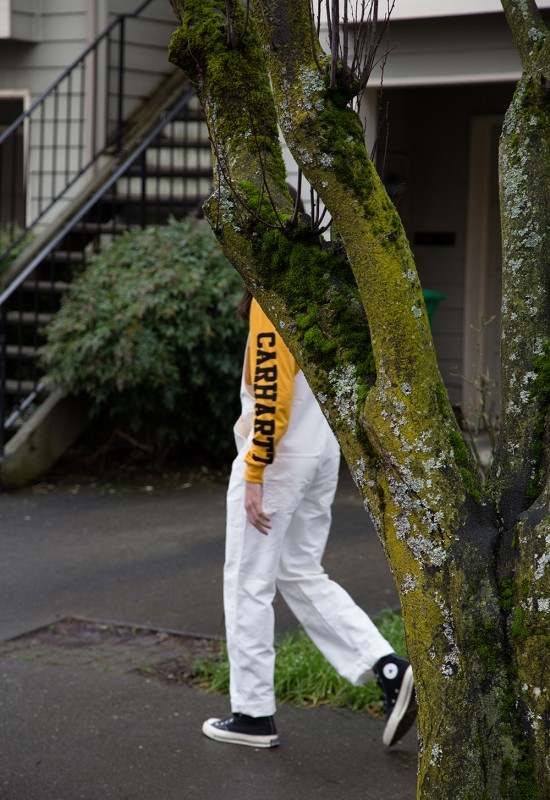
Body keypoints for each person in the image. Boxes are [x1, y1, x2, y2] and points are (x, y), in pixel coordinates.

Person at [202, 289, 417, 749]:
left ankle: (252, 714)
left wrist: (256, 468)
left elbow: (270, 387)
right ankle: (389, 667)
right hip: (320, 449)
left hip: (278, 458)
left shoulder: (272, 295)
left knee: (247, 582)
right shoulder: (318, 291)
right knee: (299, 571)